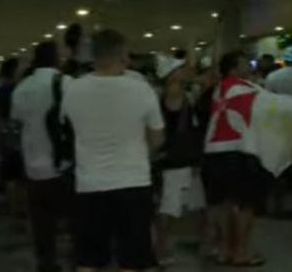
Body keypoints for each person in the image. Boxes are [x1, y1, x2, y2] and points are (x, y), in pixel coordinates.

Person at [62, 29, 164, 272]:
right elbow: (157, 138)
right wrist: (138, 152)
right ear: (123, 55)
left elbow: (71, 130)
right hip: (133, 181)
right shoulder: (141, 89)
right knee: (131, 258)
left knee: (88, 259)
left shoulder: (73, 89)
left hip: (89, 184)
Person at [201, 51, 271, 267]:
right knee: (247, 203)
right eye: (245, 64)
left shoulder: (214, 91)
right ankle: (240, 251)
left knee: (224, 202)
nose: (250, 68)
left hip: (214, 152)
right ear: (233, 69)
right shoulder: (249, 89)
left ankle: (224, 250)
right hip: (243, 151)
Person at [11, 42, 73, 272]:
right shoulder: (67, 84)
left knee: (42, 223)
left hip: (33, 167)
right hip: (64, 165)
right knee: (73, 219)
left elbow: (16, 123)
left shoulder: (22, 88)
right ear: (56, 59)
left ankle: (46, 263)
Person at [152, 55, 207, 265]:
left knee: (185, 206)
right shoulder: (175, 95)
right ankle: (160, 248)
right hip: (177, 161)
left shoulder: (178, 94)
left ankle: (164, 246)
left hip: (181, 159)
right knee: (169, 208)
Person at [0, 58, 26, 222]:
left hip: (5, 134)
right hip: (18, 133)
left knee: (10, 175)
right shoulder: (20, 90)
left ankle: (13, 210)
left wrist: (0, 135)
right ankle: (20, 208)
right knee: (20, 175)